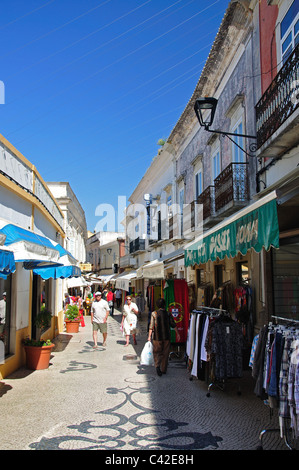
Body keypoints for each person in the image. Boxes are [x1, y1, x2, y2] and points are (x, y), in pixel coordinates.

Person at [148, 297, 180, 377]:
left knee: (157, 352)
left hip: (157, 337)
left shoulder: (154, 313)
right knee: (165, 353)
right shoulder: (168, 314)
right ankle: (163, 369)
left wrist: (149, 336)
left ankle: (157, 365)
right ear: (164, 305)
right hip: (166, 336)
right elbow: (173, 324)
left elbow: (151, 326)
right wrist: (177, 333)